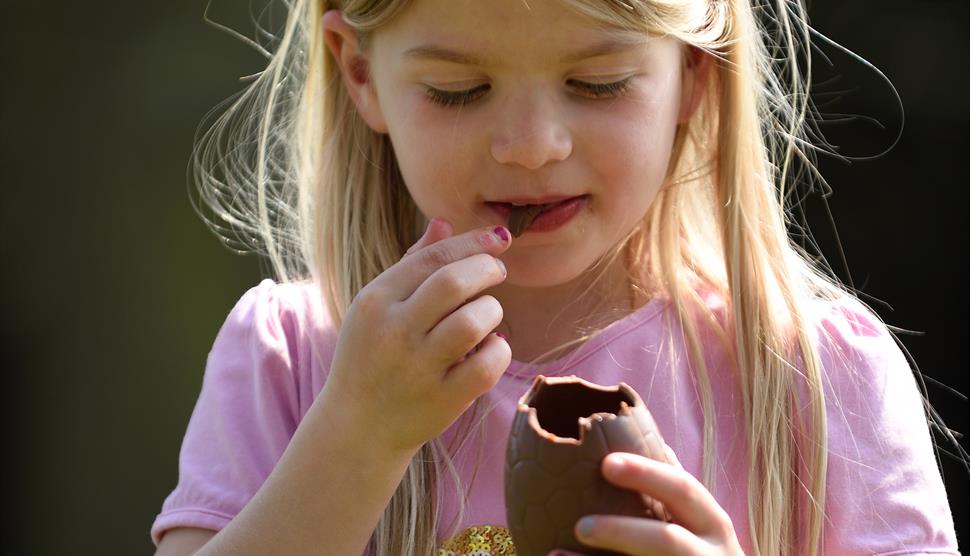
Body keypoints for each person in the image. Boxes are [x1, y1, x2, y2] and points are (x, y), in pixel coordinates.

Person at [151, 0, 960, 554]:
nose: (532, 144)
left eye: (597, 82)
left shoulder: (820, 380)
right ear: (361, 75)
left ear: (694, 71)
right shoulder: (293, 360)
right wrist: (358, 438)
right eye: (457, 90)